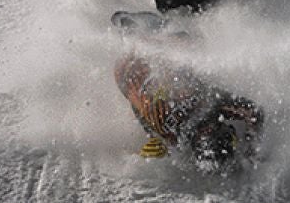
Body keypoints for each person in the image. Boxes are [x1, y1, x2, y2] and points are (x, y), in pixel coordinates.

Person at [111, 11, 263, 173]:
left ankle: (130, 28)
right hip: (127, 73)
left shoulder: (206, 104)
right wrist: (251, 150)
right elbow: (254, 112)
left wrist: (251, 147)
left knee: (187, 47)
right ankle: (131, 29)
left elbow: (254, 112)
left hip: (131, 67)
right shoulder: (174, 134)